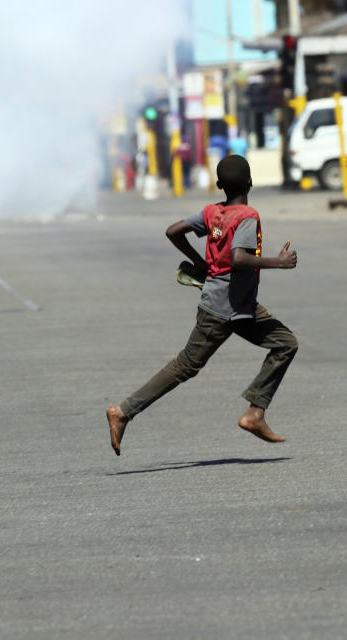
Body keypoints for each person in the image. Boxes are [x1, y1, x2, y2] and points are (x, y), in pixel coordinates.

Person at [106, 155, 299, 455]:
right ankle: (123, 411)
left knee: (285, 343)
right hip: (223, 309)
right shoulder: (246, 216)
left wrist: (201, 261)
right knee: (185, 366)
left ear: (219, 185)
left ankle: (255, 413)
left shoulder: (212, 212)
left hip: (240, 306)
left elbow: (173, 231)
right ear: (250, 181)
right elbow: (238, 258)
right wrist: (279, 262)